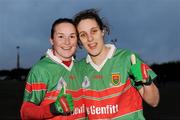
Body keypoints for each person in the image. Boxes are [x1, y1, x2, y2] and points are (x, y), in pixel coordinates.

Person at [73, 9, 160, 120]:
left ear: (102, 31)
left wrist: (146, 82)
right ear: (79, 40)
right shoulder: (78, 69)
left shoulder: (127, 59)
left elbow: (154, 102)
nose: (90, 38)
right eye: (83, 35)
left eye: (94, 31)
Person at [20, 18, 86, 120]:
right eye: (61, 36)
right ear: (52, 40)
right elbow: (25, 112)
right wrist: (52, 108)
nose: (67, 42)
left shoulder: (82, 67)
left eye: (72, 36)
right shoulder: (40, 70)